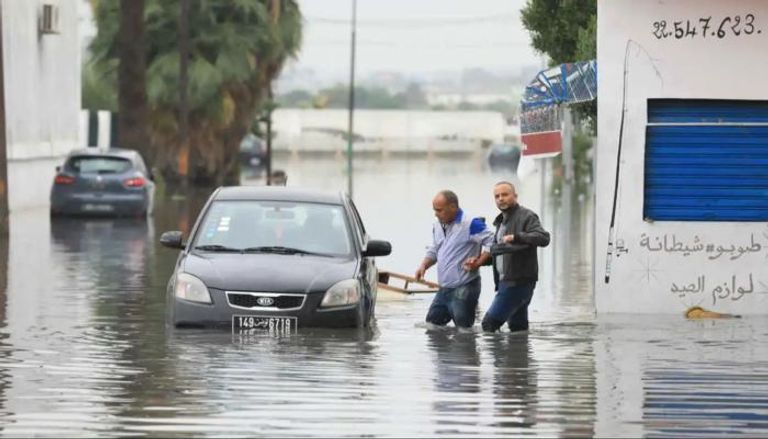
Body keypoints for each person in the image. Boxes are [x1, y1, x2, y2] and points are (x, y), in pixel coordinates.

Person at [415, 190, 495, 329]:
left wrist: (479, 262)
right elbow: (435, 249)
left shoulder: (470, 223)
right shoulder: (437, 225)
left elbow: (493, 241)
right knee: (432, 326)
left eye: (439, 210)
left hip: (465, 286)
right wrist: (423, 266)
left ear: (453, 207)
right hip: (444, 288)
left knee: (464, 331)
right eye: (434, 210)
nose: (436, 214)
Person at [480, 181, 550, 333]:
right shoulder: (501, 221)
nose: (501, 199)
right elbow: (503, 253)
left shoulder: (527, 216)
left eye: (505, 194)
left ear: (515, 196)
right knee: (518, 329)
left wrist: (516, 237)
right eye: (497, 196)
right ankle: (520, 349)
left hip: (517, 283)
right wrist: (480, 261)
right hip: (506, 281)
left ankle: (497, 351)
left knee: (489, 325)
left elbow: (544, 238)